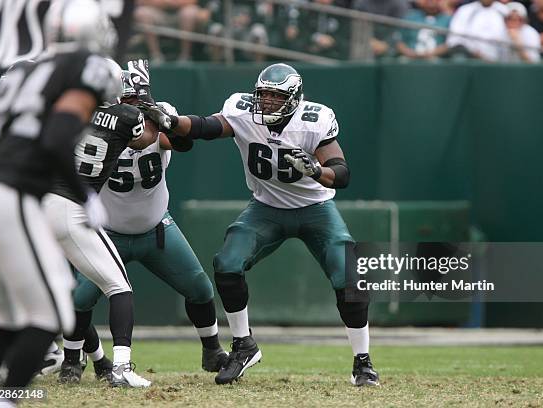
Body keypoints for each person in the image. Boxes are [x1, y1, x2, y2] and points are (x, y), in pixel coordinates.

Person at [142, 63, 380, 387]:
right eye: (263, 94)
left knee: (348, 275)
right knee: (226, 263)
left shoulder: (314, 120)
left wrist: (315, 170)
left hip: (315, 208)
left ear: (294, 98)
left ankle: (362, 362)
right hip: (266, 208)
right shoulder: (242, 111)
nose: (266, 101)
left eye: (275, 96)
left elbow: (342, 172)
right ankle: (243, 345)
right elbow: (206, 127)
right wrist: (173, 123)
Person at [0, 0, 120, 404]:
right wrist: (85, 196)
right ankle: (4, 399)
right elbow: (58, 139)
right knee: (51, 315)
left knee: (9, 319)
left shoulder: (25, 69)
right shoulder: (85, 68)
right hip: (12, 192)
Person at [67, 59, 228, 379]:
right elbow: (136, 138)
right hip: (107, 231)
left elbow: (181, 143)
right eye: (126, 101)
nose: (132, 108)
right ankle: (73, 360)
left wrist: (160, 116)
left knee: (200, 288)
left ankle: (212, 350)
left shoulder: (157, 113)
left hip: (156, 228)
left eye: (136, 101)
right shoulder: (94, 125)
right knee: (80, 298)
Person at [44, 63, 158, 387]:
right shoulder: (126, 117)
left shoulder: (66, 109)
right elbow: (145, 139)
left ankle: (89, 359)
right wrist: (150, 104)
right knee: (119, 287)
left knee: (57, 291)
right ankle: (121, 368)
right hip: (73, 208)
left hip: (39, 205)